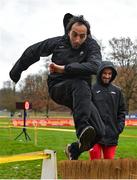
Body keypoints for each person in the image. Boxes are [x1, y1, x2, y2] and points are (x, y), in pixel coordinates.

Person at [9, 14, 105, 160]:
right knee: (80, 84)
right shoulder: (59, 42)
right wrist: (16, 71)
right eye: (74, 35)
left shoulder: (92, 46)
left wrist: (64, 68)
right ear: (68, 32)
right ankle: (82, 128)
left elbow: (95, 65)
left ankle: (74, 150)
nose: (77, 40)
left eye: (82, 36)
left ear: (87, 35)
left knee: (100, 131)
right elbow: (33, 50)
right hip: (58, 88)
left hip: (81, 95)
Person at [89, 61, 127, 160]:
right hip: (94, 136)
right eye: (104, 73)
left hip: (112, 135)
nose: (107, 76)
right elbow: (86, 110)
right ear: (100, 73)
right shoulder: (91, 89)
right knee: (95, 165)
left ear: (113, 75)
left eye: (109, 74)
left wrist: (119, 128)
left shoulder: (117, 91)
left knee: (109, 166)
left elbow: (122, 111)